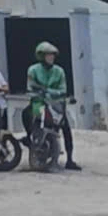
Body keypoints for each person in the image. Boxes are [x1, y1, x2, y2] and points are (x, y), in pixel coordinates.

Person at [27, 43, 81, 171]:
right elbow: (30, 88)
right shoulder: (33, 70)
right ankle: (32, 141)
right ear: (41, 56)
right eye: (48, 55)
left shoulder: (59, 71)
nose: (51, 58)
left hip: (56, 104)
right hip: (39, 103)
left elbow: (63, 90)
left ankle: (70, 159)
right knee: (30, 116)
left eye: (52, 55)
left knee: (66, 129)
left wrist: (47, 90)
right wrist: (44, 92)